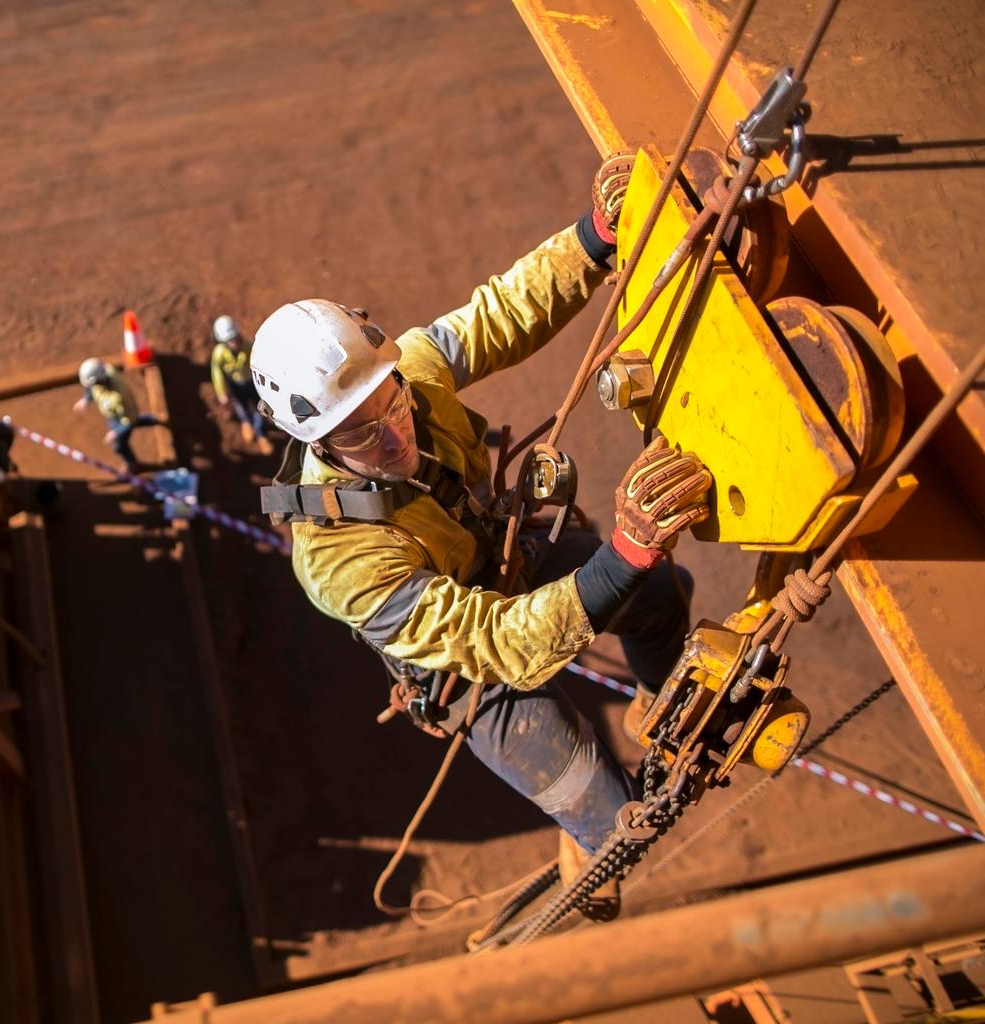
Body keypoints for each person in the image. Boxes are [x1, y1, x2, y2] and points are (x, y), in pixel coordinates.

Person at [250, 155, 711, 916]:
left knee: (664, 595)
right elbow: (497, 641)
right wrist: (624, 551)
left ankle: (660, 707)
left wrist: (594, 237)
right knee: (616, 821)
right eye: (362, 435)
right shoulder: (337, 559)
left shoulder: (403, 378)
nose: (393, 432)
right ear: (321, 445)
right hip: (473, 672)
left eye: (391, 401)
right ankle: (593, 865)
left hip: (502, 560)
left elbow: (497, 314)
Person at [73, 357, 164, 471]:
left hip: (123, 417)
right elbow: (91, 387)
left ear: (98, 380)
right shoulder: (105, 371)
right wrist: (86, 399)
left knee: (119, 446)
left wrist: (116, 432)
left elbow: (129, 420)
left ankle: (133, 465)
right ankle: (153, 420)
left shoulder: (118, 397)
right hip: (116, 413)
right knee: (136, 421)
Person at [209, 315, 274, 455]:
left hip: (252, 384)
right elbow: (217, 373)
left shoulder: (248, 346)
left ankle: (261, 434)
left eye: (234, 338)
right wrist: (221, 393)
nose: (233, 342)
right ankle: (246, 423)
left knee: (260, 410)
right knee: (241, 406)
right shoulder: (219, 354)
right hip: (235, 385)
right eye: (229, 340)